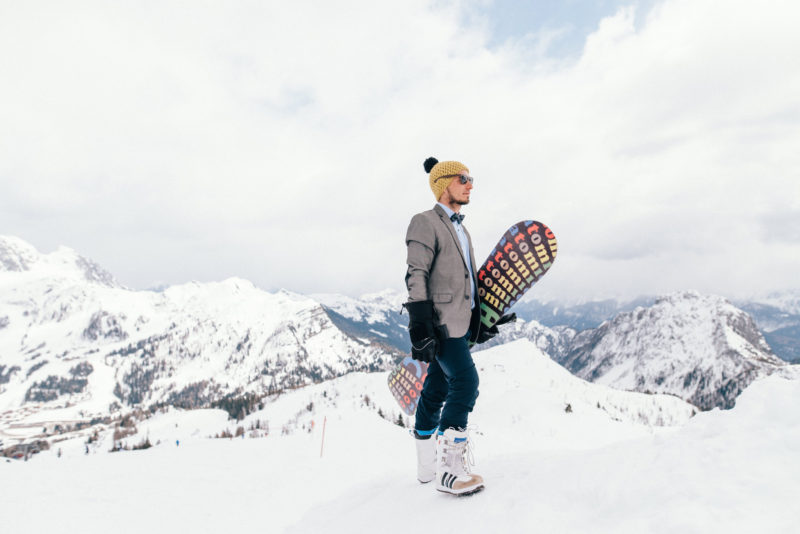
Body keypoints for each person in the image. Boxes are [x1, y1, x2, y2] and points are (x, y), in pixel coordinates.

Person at [404, 156, 511, 496]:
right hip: (440, 325)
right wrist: (420, 324)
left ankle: (426, 468)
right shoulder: (425, 222)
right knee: (466, 382)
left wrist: (482, 319)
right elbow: (416, 273)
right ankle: (449, 472)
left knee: (436, 389)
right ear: (444, 183)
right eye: (463, 178)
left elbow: (467, 281)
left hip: (460, 323)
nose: (470, 184)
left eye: (471, 178)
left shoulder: (462, 229)